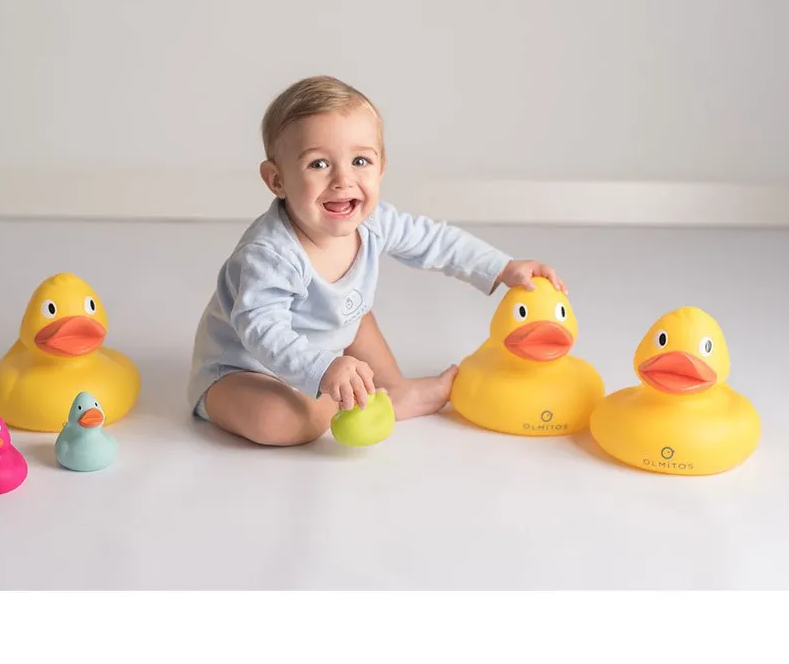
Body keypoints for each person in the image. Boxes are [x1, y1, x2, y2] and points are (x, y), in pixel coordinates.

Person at [187, 75, 565, 446]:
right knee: (278, 423)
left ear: (381, 167)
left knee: (355, 312)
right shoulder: (269, 254)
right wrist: (323, 368)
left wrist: (501, 267)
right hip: (245, 368)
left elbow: (434, 241)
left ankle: (392, 390)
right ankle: (327, 401)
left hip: (325, 355)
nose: (343, 179)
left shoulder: (372, 222)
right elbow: (262, 331)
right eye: (318, 164)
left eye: (360, 161)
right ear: (277, 180)